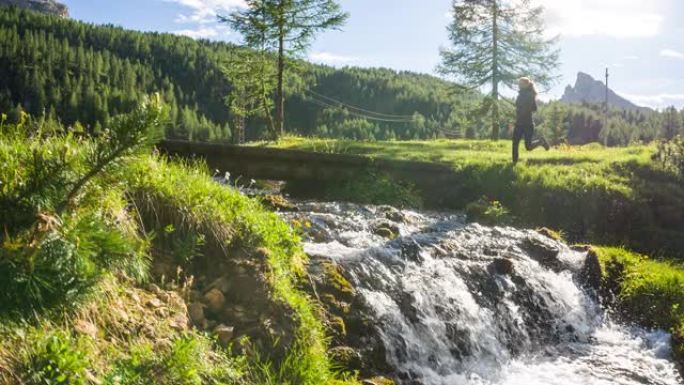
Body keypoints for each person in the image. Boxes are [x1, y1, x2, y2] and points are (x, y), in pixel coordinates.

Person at [512, 77, 549, 163]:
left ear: (526, 84)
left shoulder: (530, 95)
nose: (519, 85)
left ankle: (541, 141)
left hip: (528, 124)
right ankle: (514, 163)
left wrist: (524, 109)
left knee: (528, 147)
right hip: (519, 123)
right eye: (518, 83)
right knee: (515, 143)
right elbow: (533, 108)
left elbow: (533, 108)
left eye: (520, 83)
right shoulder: (520, 95)